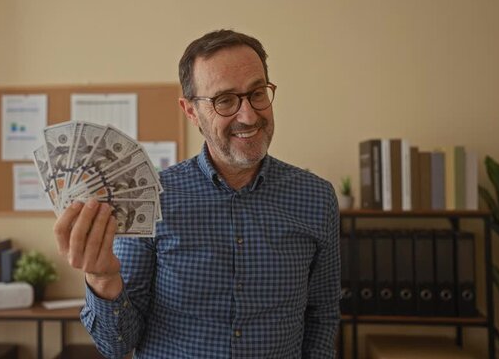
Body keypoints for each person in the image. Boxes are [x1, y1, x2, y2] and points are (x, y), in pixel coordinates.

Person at [53, 29, 341, 359]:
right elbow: (117, 344)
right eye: (225, 100)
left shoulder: (317, 198)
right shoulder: (151, 198)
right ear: (191, 112)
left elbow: (322, 317)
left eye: (257, 93)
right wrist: (102, 278)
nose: (248, 115)